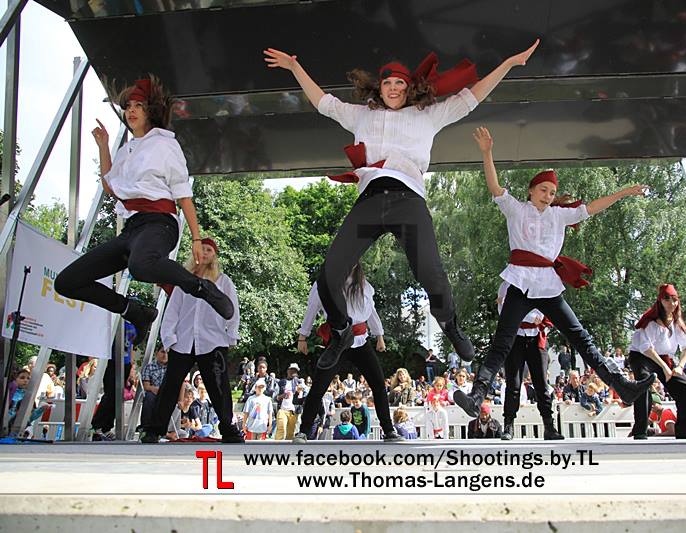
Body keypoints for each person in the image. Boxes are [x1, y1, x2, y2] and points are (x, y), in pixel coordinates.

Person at [263, 39, 542, 372]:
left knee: (431, 274)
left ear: (409, 89)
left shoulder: (427, 116)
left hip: (407, 200)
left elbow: (472, 97)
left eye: (399, 83)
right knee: (328, 277)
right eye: (387, 83)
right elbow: (323, 102)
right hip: (370, 200)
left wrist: (508, 64)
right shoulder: (361, 116)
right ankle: (340, 331)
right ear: (379, 88)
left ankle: (450, 324)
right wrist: (295, 67)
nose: (393, 88)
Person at [455, 127, 653, 418]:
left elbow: (592, 207)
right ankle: (477, 396)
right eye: (543, 190)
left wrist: (624, 192)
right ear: (531, 190)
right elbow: (495, 187)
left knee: (580, 337)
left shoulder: (560, 215)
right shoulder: (516, 210)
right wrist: (487, 153)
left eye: (552, 192)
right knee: (502, 342)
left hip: (548, 286)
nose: (548, 196)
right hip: (520, 282)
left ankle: (621, 385)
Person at [54, 76, 233, 346]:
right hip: (132, 229)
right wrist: (103, 147)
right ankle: (134, 311)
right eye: (128, 107)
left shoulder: (165, 145)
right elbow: (111, 186)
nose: (131, 111)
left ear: (150, 111)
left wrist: (196, 238)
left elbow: (183, 195)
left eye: (138, 106)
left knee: (140, 266)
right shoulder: (127, 150)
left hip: (160, 223)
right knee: (67, 282)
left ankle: (202, 288)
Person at [140, 237, 243, 443]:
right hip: (184, 340)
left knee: (219, 386)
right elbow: (173, 310)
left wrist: (231, 335)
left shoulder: (223, 281)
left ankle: (228, 428)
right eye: (202, 249)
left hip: (213, 340)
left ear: (214, 256)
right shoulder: (184, 281)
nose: (205, 253)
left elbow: (232, 310)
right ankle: (154, 429)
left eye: (209, 250)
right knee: (170, 385)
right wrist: (169, 338)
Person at [293, 263, 402, 443]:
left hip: (361, 341)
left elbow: (371, 311)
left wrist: (379, 335)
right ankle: (303, 431)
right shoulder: (325, 284)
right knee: (318, 387)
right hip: (338, 341)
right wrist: (302, 337)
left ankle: (389, 430)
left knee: (378, 384)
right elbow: (312, 308)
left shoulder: (364, 284)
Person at [628, 284, 686, 440]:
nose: (671, 303)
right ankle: (640, 430)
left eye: (674, 300)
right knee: (644, 385)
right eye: (667, 299)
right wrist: (665, 368)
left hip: (665, 358)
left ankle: (685, 430)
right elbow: (646, 348)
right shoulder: (650, 322)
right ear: (660, 301)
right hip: (642, 356)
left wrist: (680, 366)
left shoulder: (677, 323)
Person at [496, 281, 563, 441]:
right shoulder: (507, 285)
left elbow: (548, 311)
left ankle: (549, 426)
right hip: (515, 337)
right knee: (513, 384)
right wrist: (530, 317)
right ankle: (508, 425)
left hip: (536, 338)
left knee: (542, 384)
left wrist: (538, 321)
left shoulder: (542, 283)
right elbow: (504, 311)